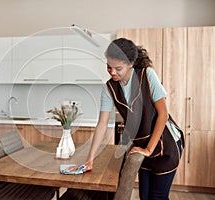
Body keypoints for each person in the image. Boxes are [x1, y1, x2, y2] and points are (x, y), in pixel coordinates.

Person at [75, 38, 184, 200]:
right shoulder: (109, 88)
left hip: (165, 145)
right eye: (108, 67)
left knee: (158, 197)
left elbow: (163, 115)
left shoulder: (147, 75)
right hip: (142, 147)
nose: (112, 72)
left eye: (118, 68)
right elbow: (102, 124)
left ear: (131, 63)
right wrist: (89, 160)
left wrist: (148, 149)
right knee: (145, 197)